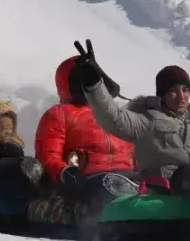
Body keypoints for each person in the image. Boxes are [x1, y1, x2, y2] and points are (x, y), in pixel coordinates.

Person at [76, 40, 190, 214]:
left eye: (185, 90)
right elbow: (113, 117)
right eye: (173, 91)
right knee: (186, 173)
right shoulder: (148, 120)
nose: (181, 97)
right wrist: (94, 85)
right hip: (168, 184)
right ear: (162, 94)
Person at [34, 55, 136, 196]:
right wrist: (65, 172)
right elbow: (48, 156)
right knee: (109, 185)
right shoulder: (59, 113)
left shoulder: (115, 113)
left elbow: (135, 154)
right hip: (87, 180)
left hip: (127, 177)